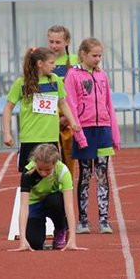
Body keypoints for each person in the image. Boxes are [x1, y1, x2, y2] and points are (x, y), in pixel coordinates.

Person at [64, 37, 121, 234]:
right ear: (83, 54)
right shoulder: (73, 75)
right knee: (86, 174)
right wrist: (79, 134)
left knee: (102, 174)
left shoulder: (102, 75)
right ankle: (83, 220)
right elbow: (70, 105)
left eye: (100, 56)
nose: (97, 59)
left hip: (103, 129)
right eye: (94, 55)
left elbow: (109, 105)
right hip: (85, 129)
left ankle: (104, 219)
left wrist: (114, 134)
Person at [2, 47, 80, 172]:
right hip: (30, 138)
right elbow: (8, 107)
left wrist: (73, 122)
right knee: (29, 176)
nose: (54, 66)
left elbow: (63, 103)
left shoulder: (55, 80)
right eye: (51, 63)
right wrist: (6, 133)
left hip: (51, 138)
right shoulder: (22, 83)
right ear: (40, 64)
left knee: (52, 175)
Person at [11, 143, 86, 252]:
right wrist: (22, 240)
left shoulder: (63, 171)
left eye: (47, 170)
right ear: (35, 162)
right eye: (40, 169)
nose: (43, 173)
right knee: (34, 244)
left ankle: (60, 229)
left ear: (55, 164)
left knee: (56, 201)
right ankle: (36, 233)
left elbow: (69, 206)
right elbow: (23, 206)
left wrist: (73, 240)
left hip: (53, 201)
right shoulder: (28, 172)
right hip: (34, 204)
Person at [47, 24, 79, 175]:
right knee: (48, 158)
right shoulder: (44, 61)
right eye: (51, 42)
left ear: (67, 42)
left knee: (68, 160)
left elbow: (79, 90)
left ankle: (67, 187)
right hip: (48, 118)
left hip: (67, 117)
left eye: (58, 42)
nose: (54, 46)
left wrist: (68, 117)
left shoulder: (75, 61)